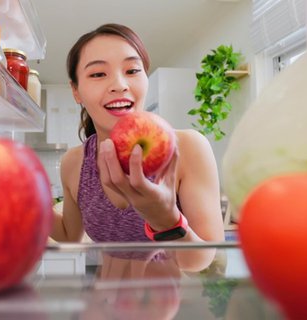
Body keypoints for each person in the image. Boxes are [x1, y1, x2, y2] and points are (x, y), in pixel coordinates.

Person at [49, 23, 224, 271]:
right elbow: (69, 235)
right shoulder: (73, 163)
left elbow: (198, 261)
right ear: (76, 91)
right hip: (102, 303)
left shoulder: (187, 148)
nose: (119, 85)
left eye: (132, 70)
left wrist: (166, 220)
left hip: (168, 304)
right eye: (98, 74)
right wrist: (26, 205)